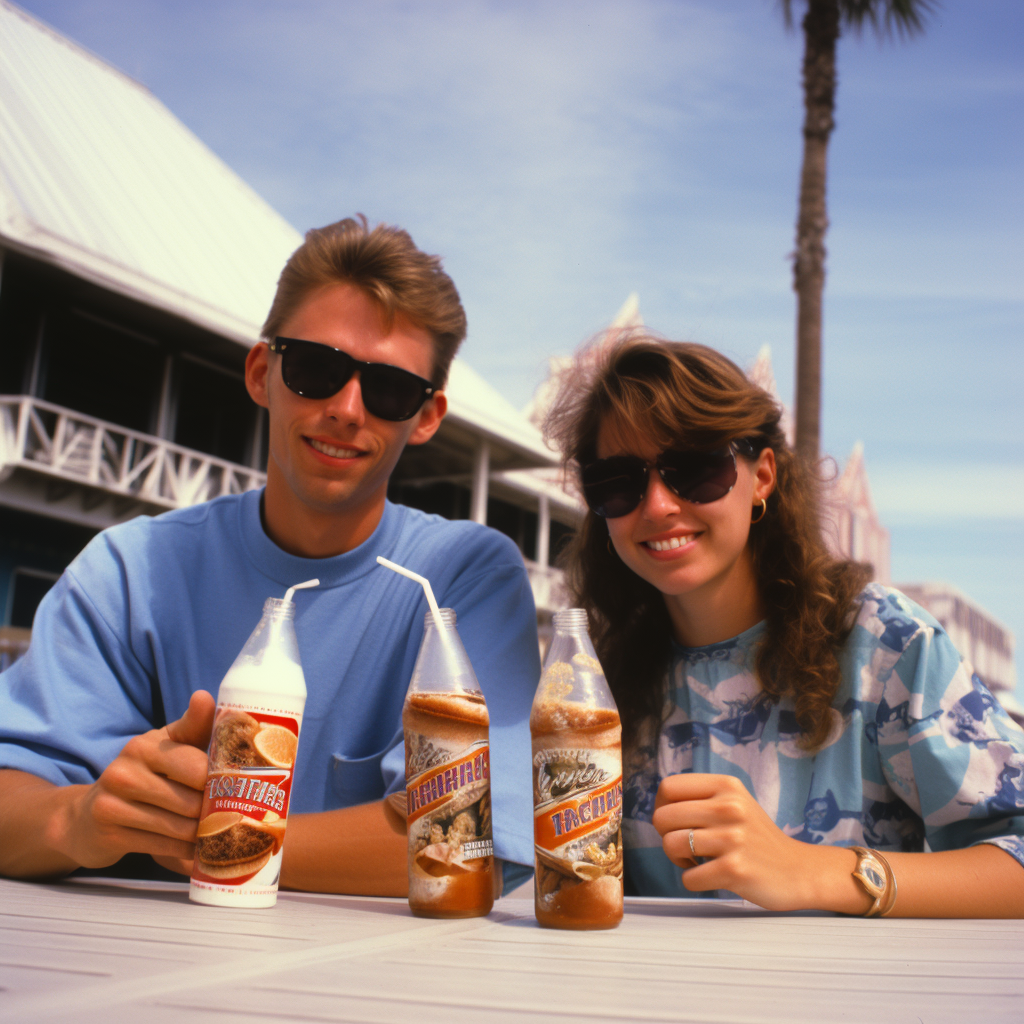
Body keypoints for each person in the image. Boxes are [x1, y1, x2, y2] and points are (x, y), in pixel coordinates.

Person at [0, 216, 540, 895]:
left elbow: (475, 840)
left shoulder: (462, 579)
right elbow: (11, 794)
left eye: (390, 390)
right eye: (317, 368)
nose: (348, 409)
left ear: (426, 417)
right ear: (263, 371)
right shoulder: (130, 571)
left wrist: (218, 837)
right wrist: (81, 819)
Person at [543, 331, 1024, 917]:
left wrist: (813, 872)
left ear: (762, 477)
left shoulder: (884, 646)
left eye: (694, 469)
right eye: (618, 481)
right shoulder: (598, 677)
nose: (659, 504)